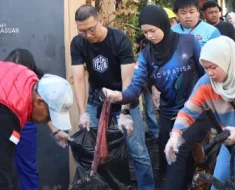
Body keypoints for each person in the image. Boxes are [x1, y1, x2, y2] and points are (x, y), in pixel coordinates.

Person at [102, 4, 205, 189]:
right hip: (168, 114)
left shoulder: (189, 42)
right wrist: (120, 96)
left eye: (152, 30)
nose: (149, 36)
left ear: (163, 24)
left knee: (185, 159)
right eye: (145, 32)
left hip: (194, 112)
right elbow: (136, 87)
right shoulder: (146, 56)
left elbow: (205, 75)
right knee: (170, 162)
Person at [70, 5, 155, 189]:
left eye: (91, 29)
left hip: (123, 98)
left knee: (137, 150)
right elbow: (78, 79)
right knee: (92, 150)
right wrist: (83, 112)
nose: (87, 34)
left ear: (100, 21)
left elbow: (128, 80)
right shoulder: (78, 43)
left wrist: (124, 111)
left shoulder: (119, 39)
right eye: (82, 31)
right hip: (97, 98)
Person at [164, 36, 235, 190]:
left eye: (213, 67)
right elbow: (188, 112)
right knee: (218, 184)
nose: (209, 73)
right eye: (205, 67)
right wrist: (175, 135)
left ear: (227, 61)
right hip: (233, 145)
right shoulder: (205, 84)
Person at [4, 48, 70, 190]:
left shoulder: (34, 81)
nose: (46, 119)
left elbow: (44, 109)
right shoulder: (8, 110)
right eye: (50, 114)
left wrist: (55, 129)